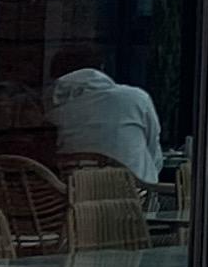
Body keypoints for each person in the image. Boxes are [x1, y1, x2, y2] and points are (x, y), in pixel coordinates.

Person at [47, 43, 164, 193]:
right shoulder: (135, 98)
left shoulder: (54, 115)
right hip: (136, 197)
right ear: (102, 68)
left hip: (75, 199)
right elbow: (155, 155)